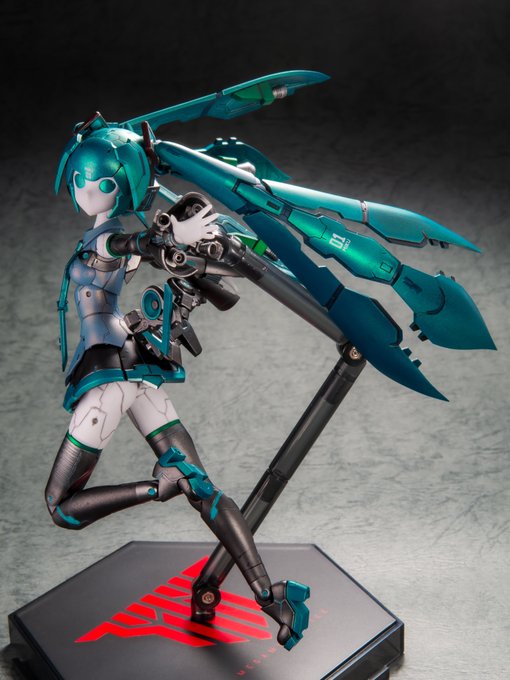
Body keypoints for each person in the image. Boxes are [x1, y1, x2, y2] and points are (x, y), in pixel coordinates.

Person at [45, 114, 309, 650]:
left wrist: (166, 236)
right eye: (81, 180)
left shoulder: (107, 237)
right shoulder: (112, 233)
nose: (85, 190)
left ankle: (158, 486)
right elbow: (143, 248)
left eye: (98, 181)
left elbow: (127, 246)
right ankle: (272, 597)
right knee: (205, 489)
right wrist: (175, 241)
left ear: (118, 184)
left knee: (61, 507)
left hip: (107, 376)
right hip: (137, 367)